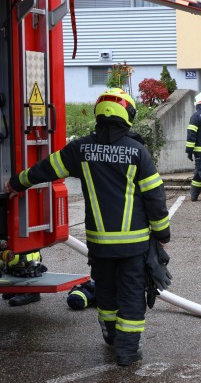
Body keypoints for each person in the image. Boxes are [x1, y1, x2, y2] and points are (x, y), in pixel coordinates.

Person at [5, 88, 171, 366]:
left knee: (105, 291)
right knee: (131, 293)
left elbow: (46, 168)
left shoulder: (81, 148)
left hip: (99, 243)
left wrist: (16, 183)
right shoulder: (137, 152)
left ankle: (110, 336)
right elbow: (155, 197)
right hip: (134, 245)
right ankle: (127, 351)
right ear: (128, 115)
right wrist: (163, 233)